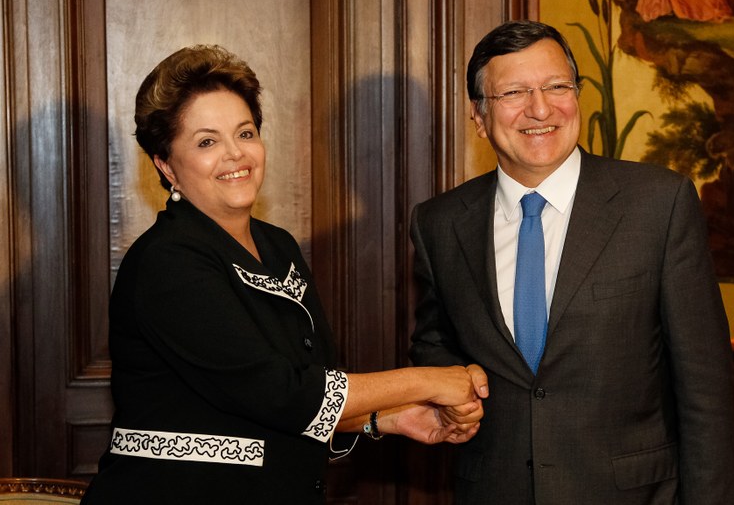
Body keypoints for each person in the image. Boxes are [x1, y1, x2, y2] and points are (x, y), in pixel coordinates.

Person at [82, 44, 487, 505]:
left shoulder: (278, 246)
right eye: (207, 142)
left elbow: (306, 388)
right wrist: (429, 380)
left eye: (246, 133)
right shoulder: (166, 261)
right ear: (166, 165)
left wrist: (387, 419)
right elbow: (279, 392)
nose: (235, 154)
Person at [409, 20, 734, 504]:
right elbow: (433, 343)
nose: (540, 108)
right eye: (514, 92)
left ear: (577, 96)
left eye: (557, 86)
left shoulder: (657, 204)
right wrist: (455, 385)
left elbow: (705, 388)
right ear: (479, 116)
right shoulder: (439, 223)